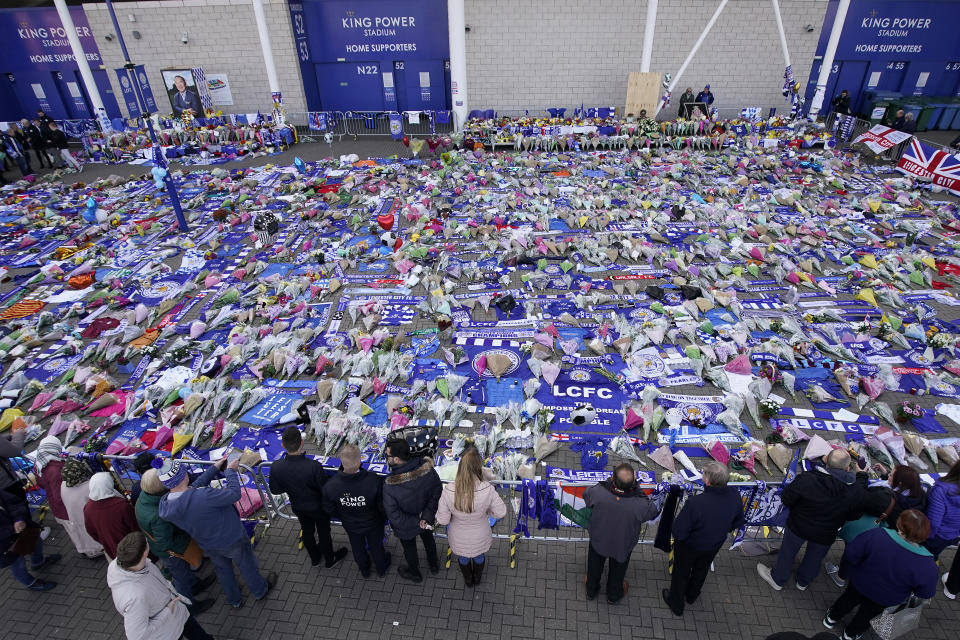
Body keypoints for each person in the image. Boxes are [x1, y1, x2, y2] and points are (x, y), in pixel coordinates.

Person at [157, 457, 277, 608]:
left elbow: (192, 489)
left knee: (223, 570)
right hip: (231, 537)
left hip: (207, 543)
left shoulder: (167, 504)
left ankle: (235, 599)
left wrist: (214, 468)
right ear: (183, 476)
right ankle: (260, 590)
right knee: (247, 565)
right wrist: (230, 472)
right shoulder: (203, 496)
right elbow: (234, 494)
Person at [758, 449, 866, 591]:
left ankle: (778, 579)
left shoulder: (808, 478)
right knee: (815, 558)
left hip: (799, 526)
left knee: (788, 553)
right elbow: (855, 515)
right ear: (847, 468)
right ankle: (803, 582)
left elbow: (787, 498)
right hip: (826, 532)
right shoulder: (855, 491)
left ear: (826, 460)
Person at [822, 510, 937, 640]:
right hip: (886, 597)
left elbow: (852, 553)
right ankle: (850, 634)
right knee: (867, 615)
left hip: (860, 582)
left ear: (900, 524)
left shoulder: (877, 535)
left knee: (847, 600)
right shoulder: (928, 564)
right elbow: (925, 593)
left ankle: (831, 618)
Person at [663, 462, 746, 616]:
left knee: (681, 573)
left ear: (707, 481)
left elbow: (679, 531)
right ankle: (692, 595)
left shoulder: (696, 503)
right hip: (714, 545)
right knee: (701, 570)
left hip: (690, 546)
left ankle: (676, 604)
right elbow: (738, 520)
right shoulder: (734, 495)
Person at [107, 531, 215, 640]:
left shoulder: (125, 563)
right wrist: (168, 610)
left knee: (201, 636)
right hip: (169, 631)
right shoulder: (135, 598)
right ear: (145, 552)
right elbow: (137, 635)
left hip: (178, 612)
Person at [136, 468, 215, 615]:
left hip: (167, 549)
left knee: (184, 575)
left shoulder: (145, 498)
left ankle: (195, 585)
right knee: (181, 579)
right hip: (172, 552)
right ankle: (191, 606)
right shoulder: (158, 515)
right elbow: (165, 541)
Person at [267, 426, 347, 569]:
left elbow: (275, 489)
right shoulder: (313, 466)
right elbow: (324, 489)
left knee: (307, 531)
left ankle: (315, 558)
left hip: (298, 506)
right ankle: (330, 559)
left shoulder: (276, 467)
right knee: (323, 532)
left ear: (283, 445)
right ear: (302, 443)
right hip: (318, 507)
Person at [583, 463, 659, 604]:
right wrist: (638, 490)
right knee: (618, 570)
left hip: (599, 539)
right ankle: (613, 595)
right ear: (633, 483)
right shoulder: (640, 504)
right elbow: (653, 511)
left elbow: (586, 495)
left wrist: (606, 484)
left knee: (594, 565)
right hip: (623, 543)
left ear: (612, 478)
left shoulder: (599, 492)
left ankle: (591, 590)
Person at [1, 423, 60, 591]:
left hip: (8, 506)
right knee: (14, 557)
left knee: (32, 534)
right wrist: (17, 436)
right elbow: (12, 451)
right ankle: (30, 582)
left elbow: (8, 502)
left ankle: (38, 562)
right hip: (4, 529)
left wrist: (19, 518)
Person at [436, 446, 506, 587]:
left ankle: (468, 579)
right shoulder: (487, 489)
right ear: (478, 467)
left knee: (463, 557)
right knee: (479, 556)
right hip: (481, 533)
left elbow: (442, 520)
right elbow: (501, 512)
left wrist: (452, 516)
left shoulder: (449, 490)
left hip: (458, 535)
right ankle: (477, 577)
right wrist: (486, 512)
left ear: (460, 467)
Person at [322, 443, 391, 578]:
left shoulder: (331, 486)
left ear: (341, 461)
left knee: (357, 548)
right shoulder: (373, 480)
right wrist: (383, 518)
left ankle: (364, 570)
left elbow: (328, 508)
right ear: (360, 461)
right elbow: (382, 505)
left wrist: (343, 515)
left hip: (351, 524)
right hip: (373, 523)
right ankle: (381, 568)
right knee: (376, 547)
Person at [382, 437, 443, 583]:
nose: (385, 456)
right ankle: (433, 565)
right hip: (426, 519)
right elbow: (437, 492)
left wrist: (417, 520)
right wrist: (424, 517)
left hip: (406, 526)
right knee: (429, 541)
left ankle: (415, 573)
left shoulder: (389, 485)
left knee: (409, 550)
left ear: (396, 460)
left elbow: (394, 515)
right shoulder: (427, 470)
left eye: (387, 455)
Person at [824, 485, 898, 589]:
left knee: (848, 558)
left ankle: (840, 577)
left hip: (851, 537)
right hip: (867, 541)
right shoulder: (880, 516)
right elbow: (883, 525)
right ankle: (849, 573)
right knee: (855, 558)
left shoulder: (858, 510)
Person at [83, 471, 141, 559]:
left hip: (112, 548)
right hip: (132, 546)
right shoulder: (121, 506)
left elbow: (91, 531)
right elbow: (134, 526)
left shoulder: (88, 508)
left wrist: (105, 541)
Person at [60, 457, 104, 557]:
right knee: (95, 538)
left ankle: (91, 551)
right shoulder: (88, 487)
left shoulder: (64, 485)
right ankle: (98, 550)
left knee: (84, 535)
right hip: (90, 520)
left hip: (76, 518)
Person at [924, 459, 960, 559]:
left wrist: (926, 537)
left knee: (925, 556)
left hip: (935, 535)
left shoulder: (941, 490)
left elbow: (934, 521)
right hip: (952, 534)